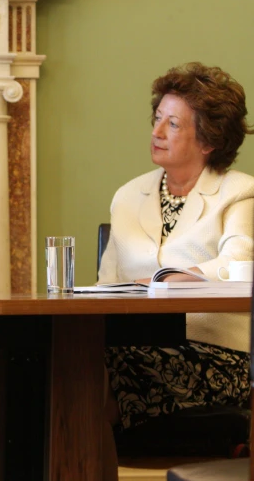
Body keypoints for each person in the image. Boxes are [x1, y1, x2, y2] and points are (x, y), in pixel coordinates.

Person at [98, 62, 253, 476]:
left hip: (215, 356)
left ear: (208, 140)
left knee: (87, 379)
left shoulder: (237, 191)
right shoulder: (128, 196)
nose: (157, 131)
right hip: (131, 346)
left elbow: (242, 262)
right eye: (156, 119)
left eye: (173, 123)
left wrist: (182, 278)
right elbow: (106, 284)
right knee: (60, 365)